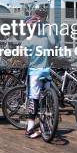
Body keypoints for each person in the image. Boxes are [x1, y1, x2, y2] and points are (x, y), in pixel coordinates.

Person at [20, 8, 54, 138]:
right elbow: (54, 44)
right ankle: (45, 124)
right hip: (46, 70)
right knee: (47, 97)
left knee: (33, 99)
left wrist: (27, 62)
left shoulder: (28, 39)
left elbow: (20, 53)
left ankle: (30, 128)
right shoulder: (47, 35)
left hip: (34, 71)